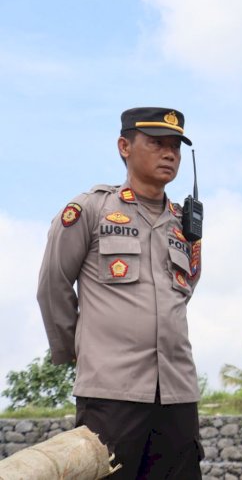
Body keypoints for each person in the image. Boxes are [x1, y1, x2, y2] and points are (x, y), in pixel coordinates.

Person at [37, 107, 203, 479]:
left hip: (177, 394)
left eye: (175, 146)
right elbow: (53, 285)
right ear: (124, 146)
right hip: (111, 393)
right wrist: (79, 352)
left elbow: (185, 290)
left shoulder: (184, 224)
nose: (169, 154)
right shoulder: (90, 209)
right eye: (157, 143)